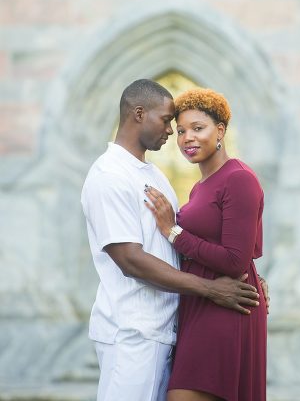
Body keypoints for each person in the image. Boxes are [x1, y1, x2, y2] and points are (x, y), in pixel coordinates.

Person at [81, 79, 260, 401]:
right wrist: (210, 287)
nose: (173, 133)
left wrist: (249, 275)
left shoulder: (152, 174)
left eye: (192, 127)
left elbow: (189, 242)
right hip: (132, 330)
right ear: (138, 113)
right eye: (170, 123)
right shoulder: (109, 175)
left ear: (220, 131)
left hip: (171, 325)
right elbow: (130, 259)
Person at [144, 88, 267, 401]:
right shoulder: (201, 186)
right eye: (182, 131)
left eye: (198, 129)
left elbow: (235, 260)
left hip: (225, 308)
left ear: (220, 131)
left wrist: (173, 232)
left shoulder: (239, 179)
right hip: (201, 302)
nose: (188, 138)